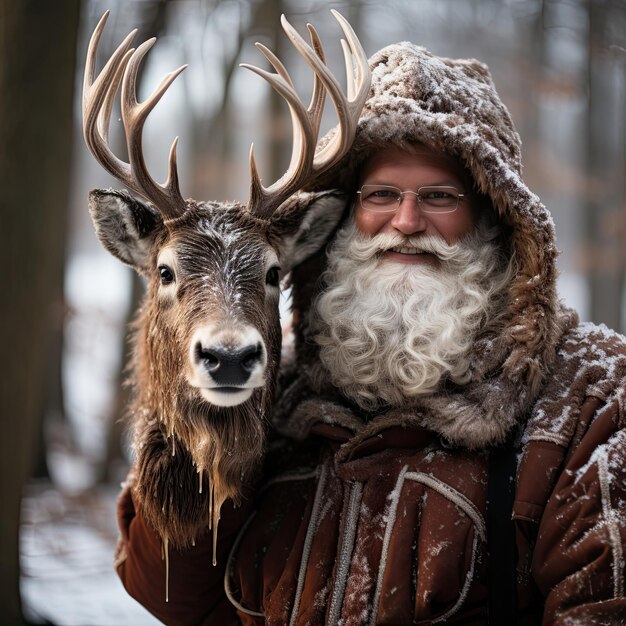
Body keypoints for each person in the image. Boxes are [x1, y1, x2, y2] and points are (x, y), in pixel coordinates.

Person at [114, 39, 626, 626]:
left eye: (439, 197)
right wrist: (195, 429)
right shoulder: (276, 396)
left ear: (494, 216)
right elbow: (170, 598)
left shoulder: (591, 400)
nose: (406, 222)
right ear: (344, 220)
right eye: (381, 195)